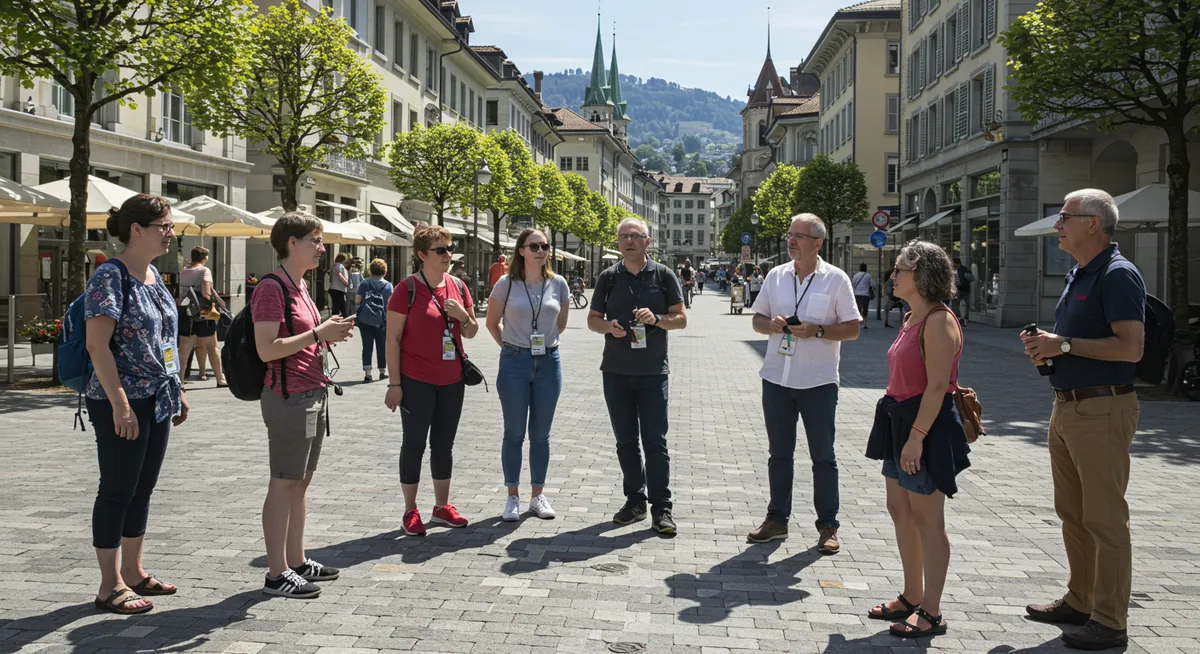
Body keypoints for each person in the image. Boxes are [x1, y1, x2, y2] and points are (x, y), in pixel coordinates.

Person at [1021, 189, 1145, 651]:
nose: (1057, 225)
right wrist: (1047, 349)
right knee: (1072, 513)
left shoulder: (1117, 275)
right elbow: (1073, 339)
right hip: (1068, 405)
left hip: (1103, 408)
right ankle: (1080, 599)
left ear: (1092, 223)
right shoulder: (1080, 273)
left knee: (1105, 519)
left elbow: (1131, 348)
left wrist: (1064, 345)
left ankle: (1110, 621)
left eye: (1064, 216)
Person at [85, 194, 189, 615]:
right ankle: (108, 585)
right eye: (164, 225)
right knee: (116, 490)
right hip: (120, 398)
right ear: (136, 230)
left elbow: (163, 339)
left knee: (142, 489)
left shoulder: (153, 276)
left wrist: (176, 385)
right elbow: (97, 345)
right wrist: (120, 403)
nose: (170, 232)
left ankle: (133, 570)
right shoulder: (110, 276)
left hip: (157, 396)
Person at [864, 239, 971, 639]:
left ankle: (932, 611)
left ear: (922, 275)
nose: (892, 276)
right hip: (898, 422)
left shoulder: (939, 321)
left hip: (923, 427)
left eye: (900, 270)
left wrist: (916, 438)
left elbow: (938, 386)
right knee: (900, 510)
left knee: (928, 520)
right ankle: (911, 594)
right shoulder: (912, 317)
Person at [252, 212, 355, 599]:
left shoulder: (301, 285)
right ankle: (275, 572)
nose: (321, 247)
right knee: (284, 482)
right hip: (288, 398)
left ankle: (295, 561)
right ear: (291, 243)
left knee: (301, 482)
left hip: (313, 393)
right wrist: (319, 332)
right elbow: (266, 349)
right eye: (315, 239)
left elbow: (302, 339)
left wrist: (328, 335)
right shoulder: (271, 287)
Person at [747, 213, 861, 554]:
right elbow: (756, 321)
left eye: (799, 236)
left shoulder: (836, 279)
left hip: (818, 382)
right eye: (790, 235)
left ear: (818, 243)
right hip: (776, 378)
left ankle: (828, 526)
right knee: (779, 455)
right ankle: (776, 520)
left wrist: (818, 330)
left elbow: (853, 328)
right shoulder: (776, 276)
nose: (791, 241)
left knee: (823, 456)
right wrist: (773, 325)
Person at [588, 217, 686, 535]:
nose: (628, 241)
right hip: (615, 371)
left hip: (653, 372)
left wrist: (657, 319)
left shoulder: (664, 275)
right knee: (626, 441)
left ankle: (662, 508)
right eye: (623, 237)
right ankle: (635, 502)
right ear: (618, 243)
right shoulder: (608, 277)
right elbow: (592, 319)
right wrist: (608, 327)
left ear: (648, 240)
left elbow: (681, 319)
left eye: (635, 236)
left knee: (655, 442)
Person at [384, 224, 479, 536]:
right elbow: (393, 338)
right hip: (415, 380)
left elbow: (472, 331)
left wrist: (462, 315)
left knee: (444, 444)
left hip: (452, 380)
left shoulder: (458, 287)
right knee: (414, 444)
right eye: (441, 250)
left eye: (450, 248)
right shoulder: (406, 289)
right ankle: (410, 510)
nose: (448, 255)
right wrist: (394, 384)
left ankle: (441, 507)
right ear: (422, 255)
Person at [487, 228, 569, 521]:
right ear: (521, 250)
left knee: (541, 435)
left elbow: (560, 324)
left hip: (549, 361)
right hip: (515, 361)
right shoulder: (505, 284)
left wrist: (542, 345)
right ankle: (512, 497)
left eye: (545, 246)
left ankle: (538, 496)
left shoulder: (558, 284)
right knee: (514, 433)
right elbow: (492, 322)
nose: (540, 250)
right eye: (533, 245)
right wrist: (511, 347)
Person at [178, 246, 227, 387]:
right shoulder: (205, 270)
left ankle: (180, 381)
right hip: (203, 313)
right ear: (204, 258)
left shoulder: (184, 271)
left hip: (186, 312)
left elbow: (181, 294)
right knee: (212, 347)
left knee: (184, 349)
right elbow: (206, 291)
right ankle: (220, 379)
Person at [356, 258, 394, 382]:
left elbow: (357, 300)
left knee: (367, 346)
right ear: (385, 271)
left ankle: (368, 374)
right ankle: (382, 371)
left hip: (365, 320)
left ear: (371, 270)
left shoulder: (364, 284)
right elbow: (391, 305)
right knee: (381, 345)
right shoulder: (388, 286)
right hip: (382, 320)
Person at [328, 252, 350, 317]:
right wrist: (345, 282)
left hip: (333, 288)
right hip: (338, 289)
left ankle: (335, 320)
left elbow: (331, 277)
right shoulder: (339, 266)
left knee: (336, 306)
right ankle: (345, 319)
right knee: (341, 306)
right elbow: (339, 274)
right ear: (343, 259)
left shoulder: (334, 266)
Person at [852, 263, 873, 329]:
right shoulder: (868, 276)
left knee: (858, 309)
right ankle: (865, 324)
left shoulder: (856, 275)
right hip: (865, 295)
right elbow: (871, 284)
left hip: (857, 294)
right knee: (865, 309)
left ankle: (858, 323)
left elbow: (853, 283)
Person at [951, 257, 972, 324]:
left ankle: (962, 318)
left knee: (960, 304)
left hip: (962, 289)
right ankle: (961, 318)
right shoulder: (962, 269)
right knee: (958, 304)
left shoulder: (962, 270)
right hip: (961, 289)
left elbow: (970, 278)